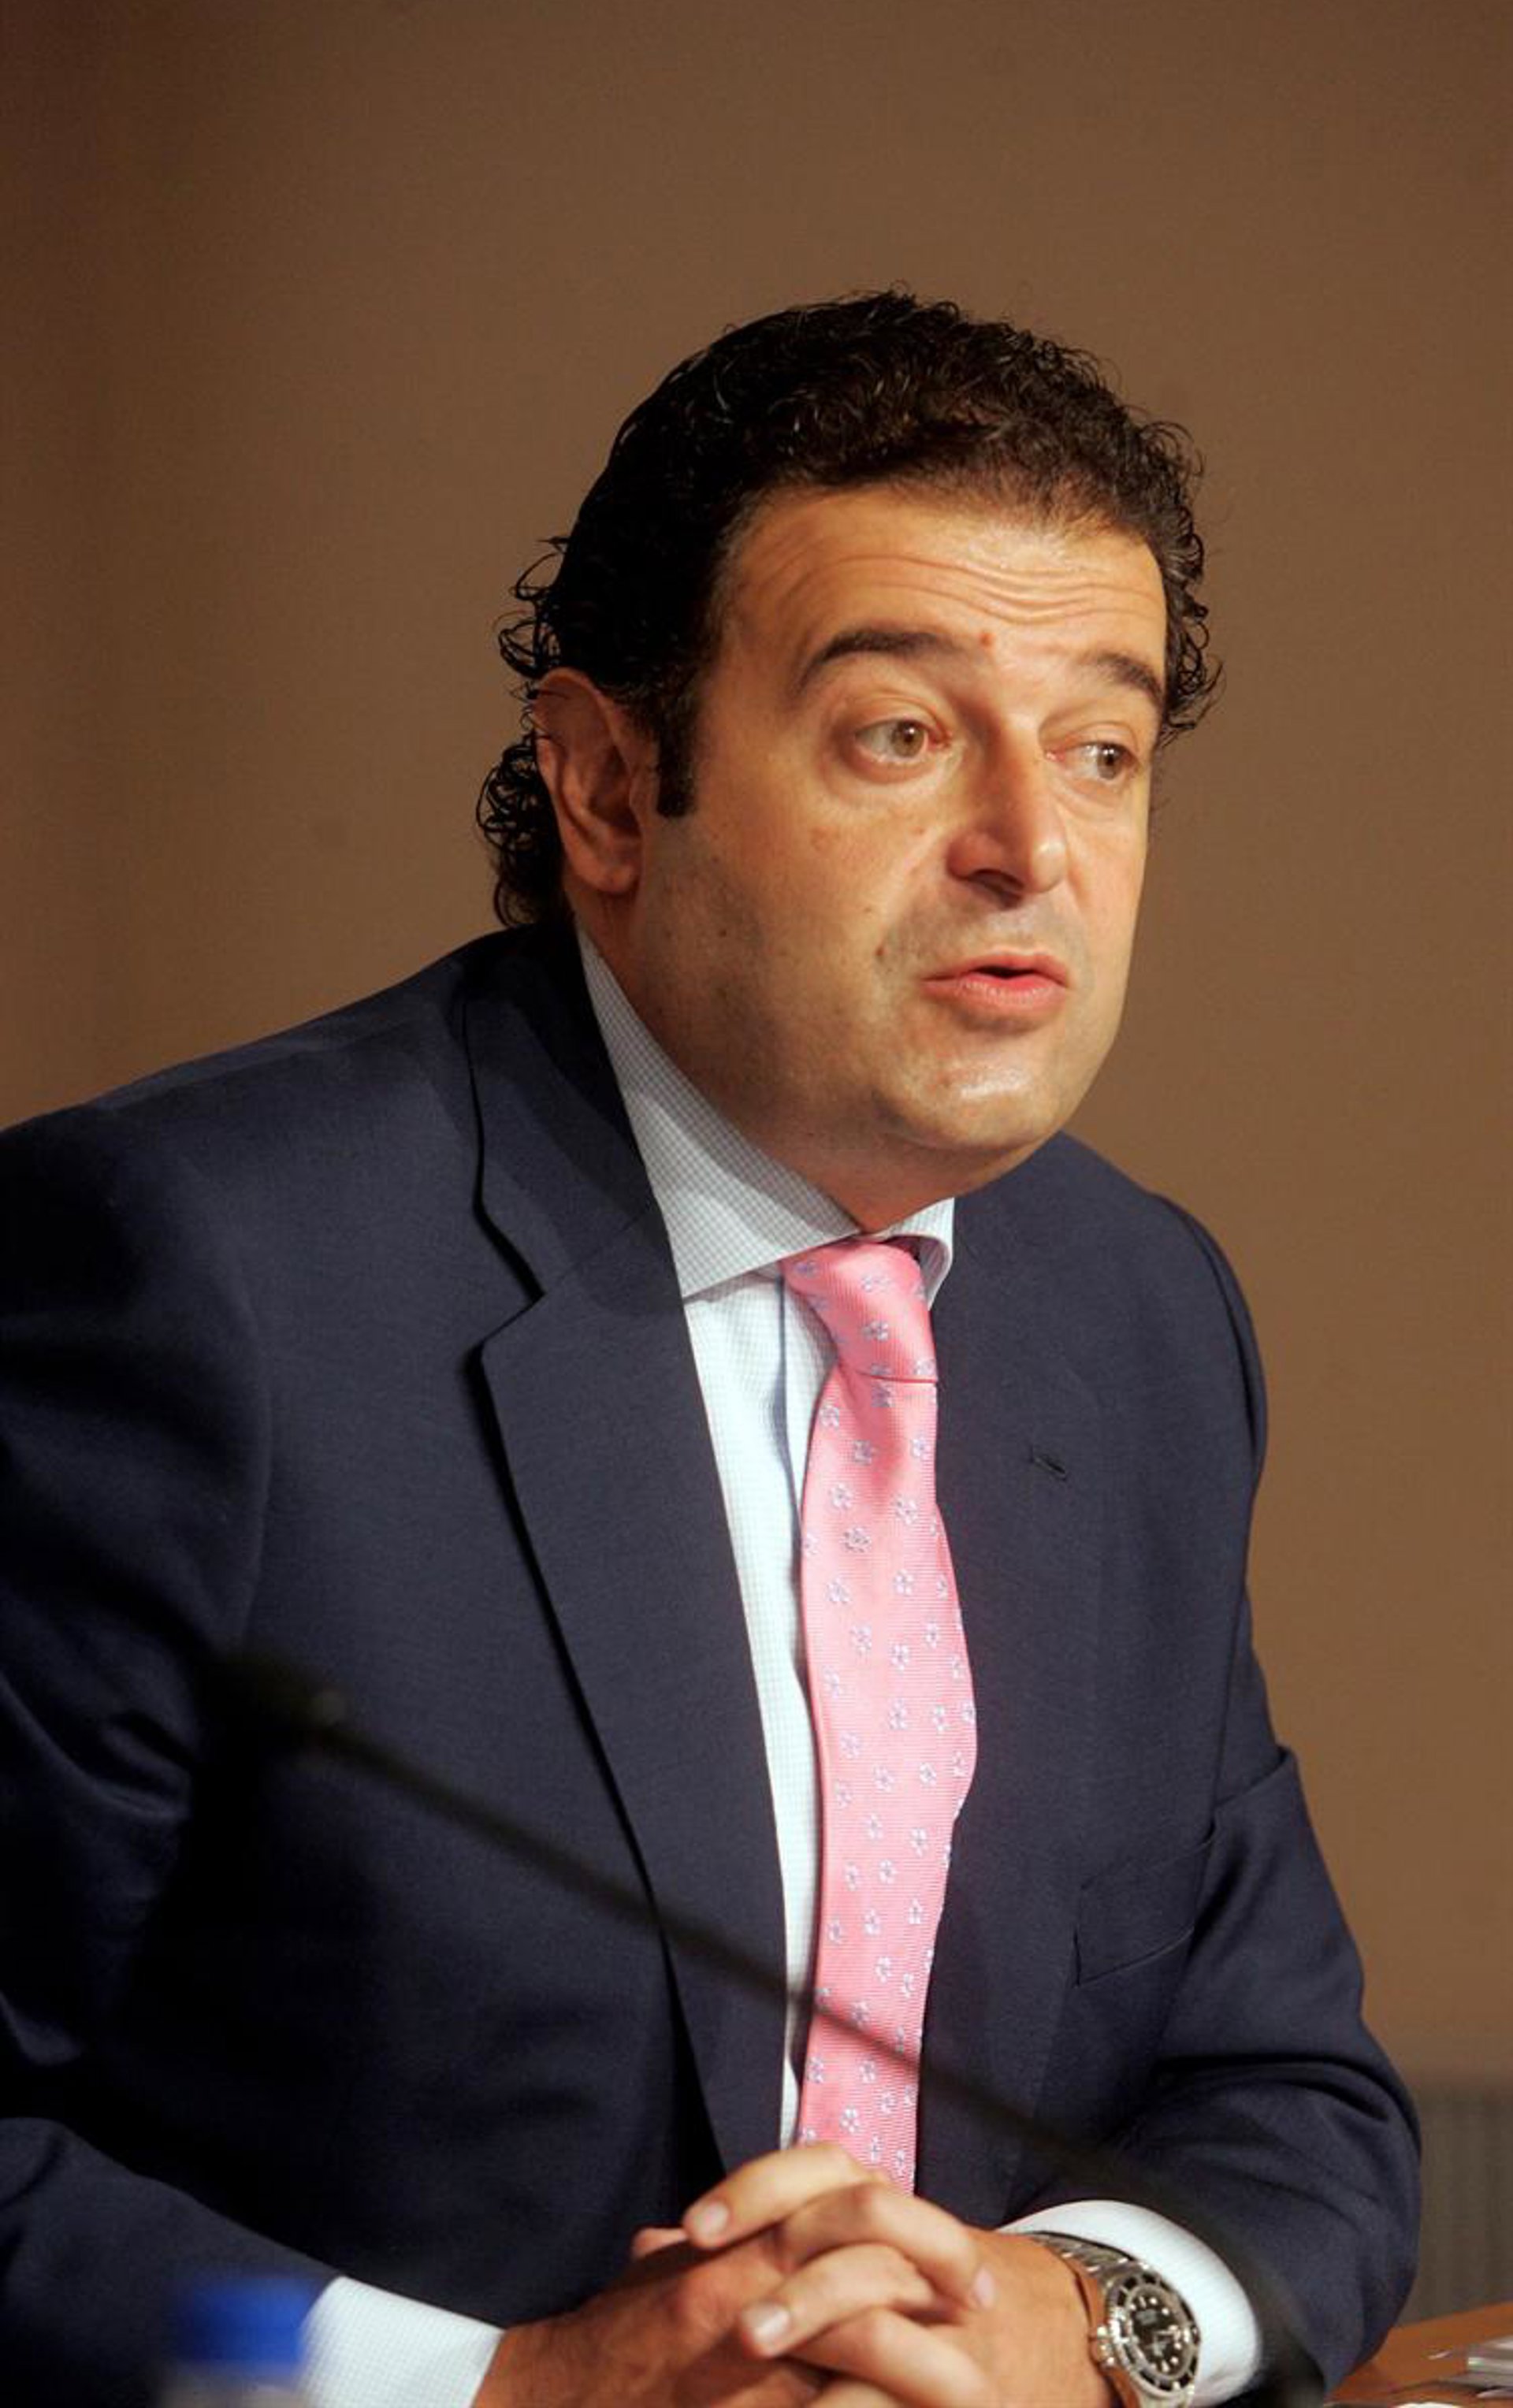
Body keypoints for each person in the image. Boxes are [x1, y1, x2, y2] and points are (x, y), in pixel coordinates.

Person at [0, 293, 1417, 2408]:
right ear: (604, 786)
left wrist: (1057, 2321)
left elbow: (1297, 2103)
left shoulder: (1137, 1317)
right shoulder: (191, 1277)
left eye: (1103, 751)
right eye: (900, 734)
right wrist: (497, 2392)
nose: (1033, 847)